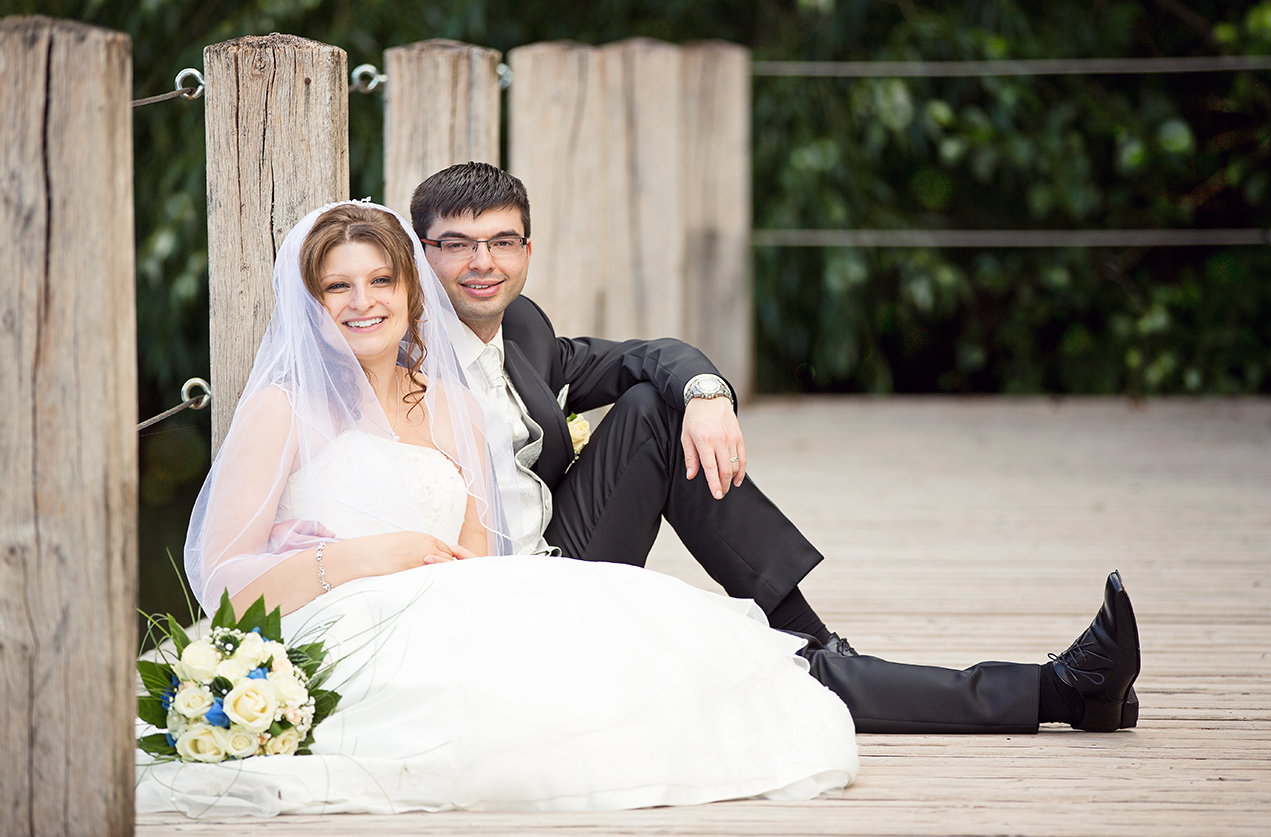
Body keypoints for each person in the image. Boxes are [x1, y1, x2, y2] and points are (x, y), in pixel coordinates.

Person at [135, 201, 860, 817]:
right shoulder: (282, 409)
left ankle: (812, 644)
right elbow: (223, 580)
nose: (364, 302)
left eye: (381, 279)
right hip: (345, 615)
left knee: (634, 641)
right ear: (312, 303)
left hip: (462, 597)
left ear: (411, 291)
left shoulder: (450, 403)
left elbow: (480, 553)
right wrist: (366, 556)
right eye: (338, 287)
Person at [408, 162, 1141, 735]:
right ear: (420, 252)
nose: (483, 262)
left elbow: (646, 355)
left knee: (656, 406)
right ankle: (1056, 690)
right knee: (774, 672)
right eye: (457, 245)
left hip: (559, 560)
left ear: (527, 250)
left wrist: (708, 394)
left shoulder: (524, 329)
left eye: (502, 241)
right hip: (499, 609)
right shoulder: (397, 361)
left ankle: (816, 637)